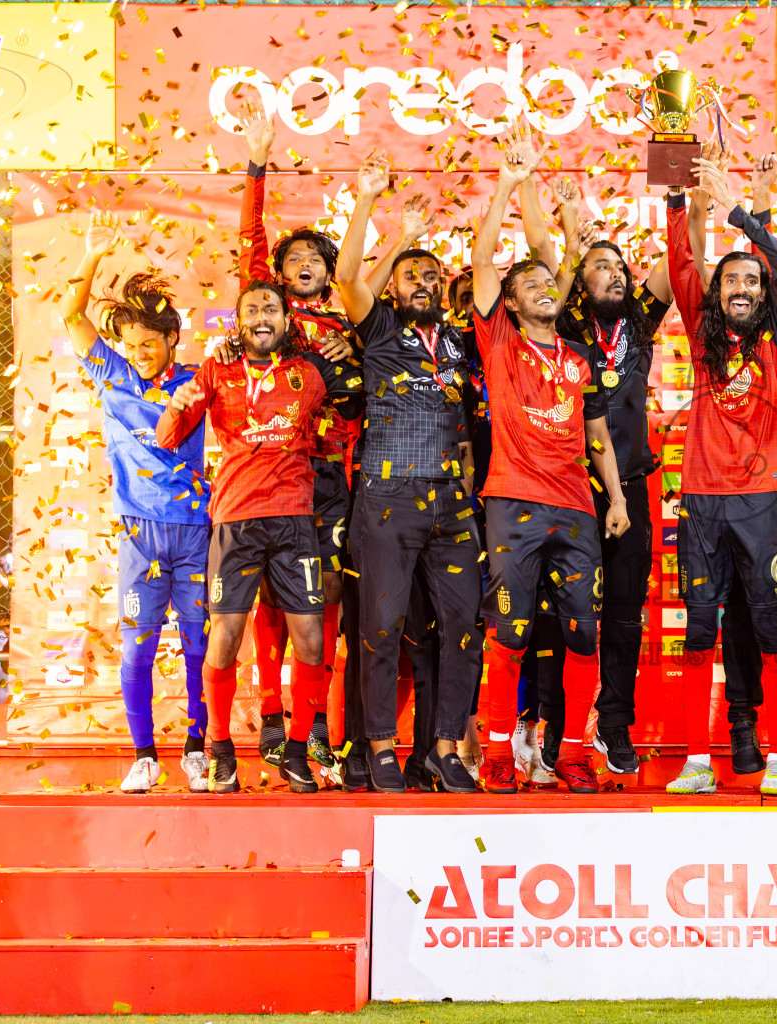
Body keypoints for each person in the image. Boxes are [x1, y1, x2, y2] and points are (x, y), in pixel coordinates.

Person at [468, 132, 630, 795]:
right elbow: (483, 262)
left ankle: (571, 757)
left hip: (577, 510)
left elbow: (597, 435)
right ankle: (500, 756)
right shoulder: (499, 341)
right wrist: (510, 184)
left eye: (547, 282)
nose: (541, 286)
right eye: (527, 283)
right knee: (508, 633)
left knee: (583, 635)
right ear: (507, 304)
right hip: (513, 504)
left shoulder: (578, 357)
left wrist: (616, 498)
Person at [155, 281, 361, 793]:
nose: (263, 316)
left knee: (312, 640)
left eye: (272, 308)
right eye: (253, 309)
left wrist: (348, 348)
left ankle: (297, 753)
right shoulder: (216, 369)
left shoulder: (310, 373)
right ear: (239, 321)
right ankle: (219, 748)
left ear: (287, 321)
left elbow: (356, 407)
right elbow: (166, 437)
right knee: (224, 636)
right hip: (235, 520)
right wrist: (179, 403)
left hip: (295, 520)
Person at [664, 148, 777, 796]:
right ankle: (697, 760)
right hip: (702, 504)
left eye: (749, 284)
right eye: (730, 282)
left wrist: (742, 211)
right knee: (700, 629)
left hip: (761, 503)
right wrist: (677, 197)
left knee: (769, 629)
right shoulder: (703, 342)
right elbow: (681, 262)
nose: (740, 289)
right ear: (715, 294)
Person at [234, 100, 378, 783]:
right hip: (274, 476)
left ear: (325, 267)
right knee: (270, 599)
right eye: (287, 259)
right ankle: (268, 714)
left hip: (335, 480)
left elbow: (363, 274)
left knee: (324, 603)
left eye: (309, 257)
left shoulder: (349, 318)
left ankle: (316, 727)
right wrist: (257, 169)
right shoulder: (275, 317)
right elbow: (249, 248)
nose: (297, 265)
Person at [332, 153, 485, 795]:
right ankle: (380, 751)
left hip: (451, 504)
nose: (422, 282)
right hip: (387, 504)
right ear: (392, 289)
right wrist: (372, 205)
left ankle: (446, 750)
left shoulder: (459, 341)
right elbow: (345, 276)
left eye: (431, 275)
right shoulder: (380, 332)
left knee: (462, 626)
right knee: (381, 628)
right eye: (409, 275)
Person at [519, 174, 673, 777]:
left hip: (631, 486)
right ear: (578, 280)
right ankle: (556, 728)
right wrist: (560, 221)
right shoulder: (565, 328)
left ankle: (613, 723)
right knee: (564, 614)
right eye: (598, 265)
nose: (613, 272)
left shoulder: (640, 321)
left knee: (626, 612)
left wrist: (693, 187)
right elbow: (542, 257)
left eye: (619, 265)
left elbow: (677, 257)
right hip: (567, 487)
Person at [63, 214, 210, 793]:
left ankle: (199, 750)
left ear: (173, 339)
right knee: (136, 648)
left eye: (149, 344)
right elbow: (73, 316)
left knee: (201, 646)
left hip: (197, 531)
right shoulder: (112, 374)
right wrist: (92, 256)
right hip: (139, 536)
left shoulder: (202, 378)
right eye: (131, 345)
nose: (139, 354)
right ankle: (145, 755)